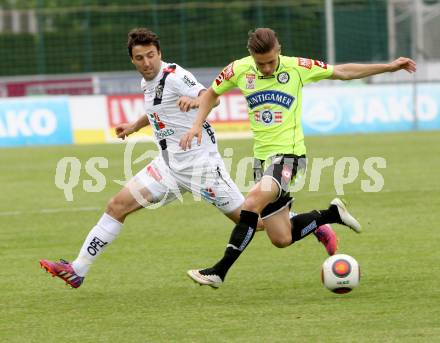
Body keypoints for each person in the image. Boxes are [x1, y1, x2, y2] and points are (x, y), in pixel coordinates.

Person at [38, 28, 335, 289]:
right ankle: (77, 270)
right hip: (167, 168)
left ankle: (311, 224)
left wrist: (194, 101)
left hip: (203, 168)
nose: (146, 62)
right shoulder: (148, 83)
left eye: (151, 55)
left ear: (159, 53)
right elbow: (157, 111)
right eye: (140, 58)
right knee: (117, 205)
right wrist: (133, 126)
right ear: (132, 60)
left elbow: (210, 95)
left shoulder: (176, 76)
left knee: (254, 223)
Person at [180, 27, 416, 288]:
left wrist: (388, 67)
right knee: (281, 238)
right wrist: (196, 125)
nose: (267, 68)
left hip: (290, 158)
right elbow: (211, 94)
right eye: (261, 63)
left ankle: (219, 271)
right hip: (262, 162)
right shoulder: (238, 70)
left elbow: (342, 71)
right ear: (251, 56)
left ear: (279, 50)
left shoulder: (297, 67)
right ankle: (331, 214)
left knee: (252, 203)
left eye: (271, 61)